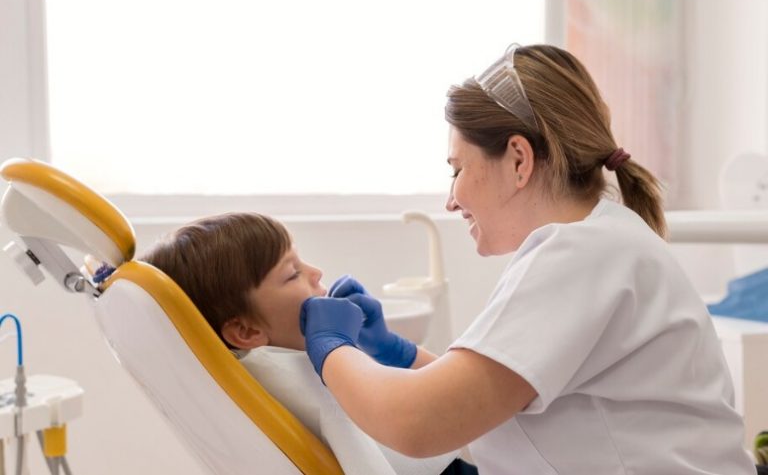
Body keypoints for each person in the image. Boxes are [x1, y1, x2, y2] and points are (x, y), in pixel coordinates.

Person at [300, 44, 757, 474]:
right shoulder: (601, 242)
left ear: (519, 159)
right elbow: (491, 402)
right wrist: (399, 356)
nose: (451, 201)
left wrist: (330, 346)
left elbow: (419, 424)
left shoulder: (580, 255)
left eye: (457, 169)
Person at [138, 212, 465, 475]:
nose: (316, 271)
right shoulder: (303, 380)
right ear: (247, 331)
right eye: (292, 274)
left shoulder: (264, 375)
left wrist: (391, 351)